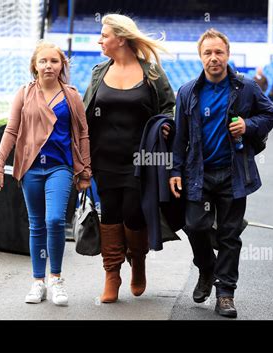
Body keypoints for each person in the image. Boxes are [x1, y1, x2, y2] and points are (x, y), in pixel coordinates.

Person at [169, 29, 273, 318]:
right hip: (198, 174)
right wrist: (175, 170)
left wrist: (247, 125)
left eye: (219, 52)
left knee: (229, 235)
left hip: (234, 173)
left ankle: (225, 294)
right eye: (208, 53)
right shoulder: (188, 91)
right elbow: (180, 137)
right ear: (200, 56)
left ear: (227, 55)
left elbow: (270, 114)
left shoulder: (246, 87)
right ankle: (206, 268)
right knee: (195, 225)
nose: (214, 58)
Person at [0, 40, 91, 306]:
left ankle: (56, 279)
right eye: (43, 61)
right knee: (36, 225)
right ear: (34, 66)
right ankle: (38, 282)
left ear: (62, 66)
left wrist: (86, 170)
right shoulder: (24, 93)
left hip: (60, 167)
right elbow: (11, 131)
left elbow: (82, 134)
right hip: (31, 168)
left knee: (56, 220)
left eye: (54, 61)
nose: (49, 65)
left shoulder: (72, 96)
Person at [83, 14, 175, 303]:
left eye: (104, 35)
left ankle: (138, 261)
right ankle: (112, 274)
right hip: (104, 159)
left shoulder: (152, 73)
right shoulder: (99, 71)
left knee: (134, 214)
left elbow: (170, 108)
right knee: (109, 214)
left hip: (142, 160)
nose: (100, 40)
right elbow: (85, 115)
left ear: (120, 39)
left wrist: (166, 124)